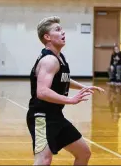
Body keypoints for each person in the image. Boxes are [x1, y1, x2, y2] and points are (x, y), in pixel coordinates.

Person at [26, 16, 104, 165]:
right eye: (57, 30)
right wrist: (70, 100)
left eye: (61, 29)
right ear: (47, 37)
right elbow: (42, 92)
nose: (63, 32)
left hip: (56, 116)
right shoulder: (49, 60)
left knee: (83, 153)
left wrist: (83, 87)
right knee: (44, 159)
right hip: (41, 117)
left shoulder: (59, 57)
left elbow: (63, 79)